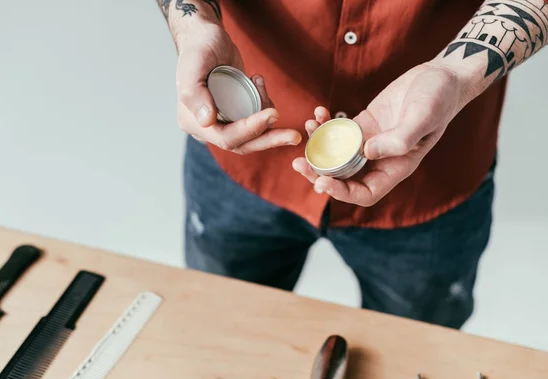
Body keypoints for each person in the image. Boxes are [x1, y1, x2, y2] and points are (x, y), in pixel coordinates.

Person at [157, 0, 548, 329]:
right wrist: (194, 27)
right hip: (243, 159)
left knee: (410, 362)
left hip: (430, 177)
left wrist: (455, 73)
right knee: (221, 336)